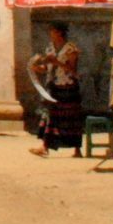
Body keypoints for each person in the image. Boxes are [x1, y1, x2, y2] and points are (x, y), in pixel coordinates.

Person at [29, 21, 83, 157]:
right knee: (50, 115)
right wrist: (36, 68)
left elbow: (73, 70)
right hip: (53, 86)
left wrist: (56, 62)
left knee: (71, 117)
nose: (50, 34)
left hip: (68, 86)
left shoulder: (71, 48)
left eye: (52, 31)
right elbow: (47, 69)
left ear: (59, 32)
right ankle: (45, 146)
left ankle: (77, 149)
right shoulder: (50, 48)